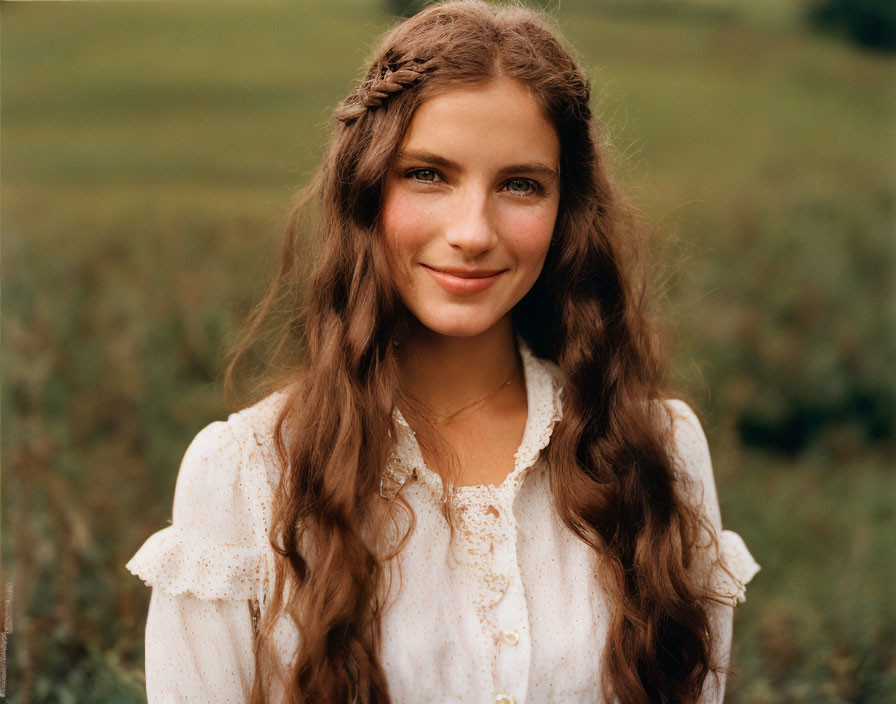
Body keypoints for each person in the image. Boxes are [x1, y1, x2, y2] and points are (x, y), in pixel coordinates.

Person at [126, 1, 760, 702]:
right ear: (367, 187)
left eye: (520, 185)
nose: (472, 231)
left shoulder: (658, 453)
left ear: (566, 211)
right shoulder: (247, 476)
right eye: (428, 173)